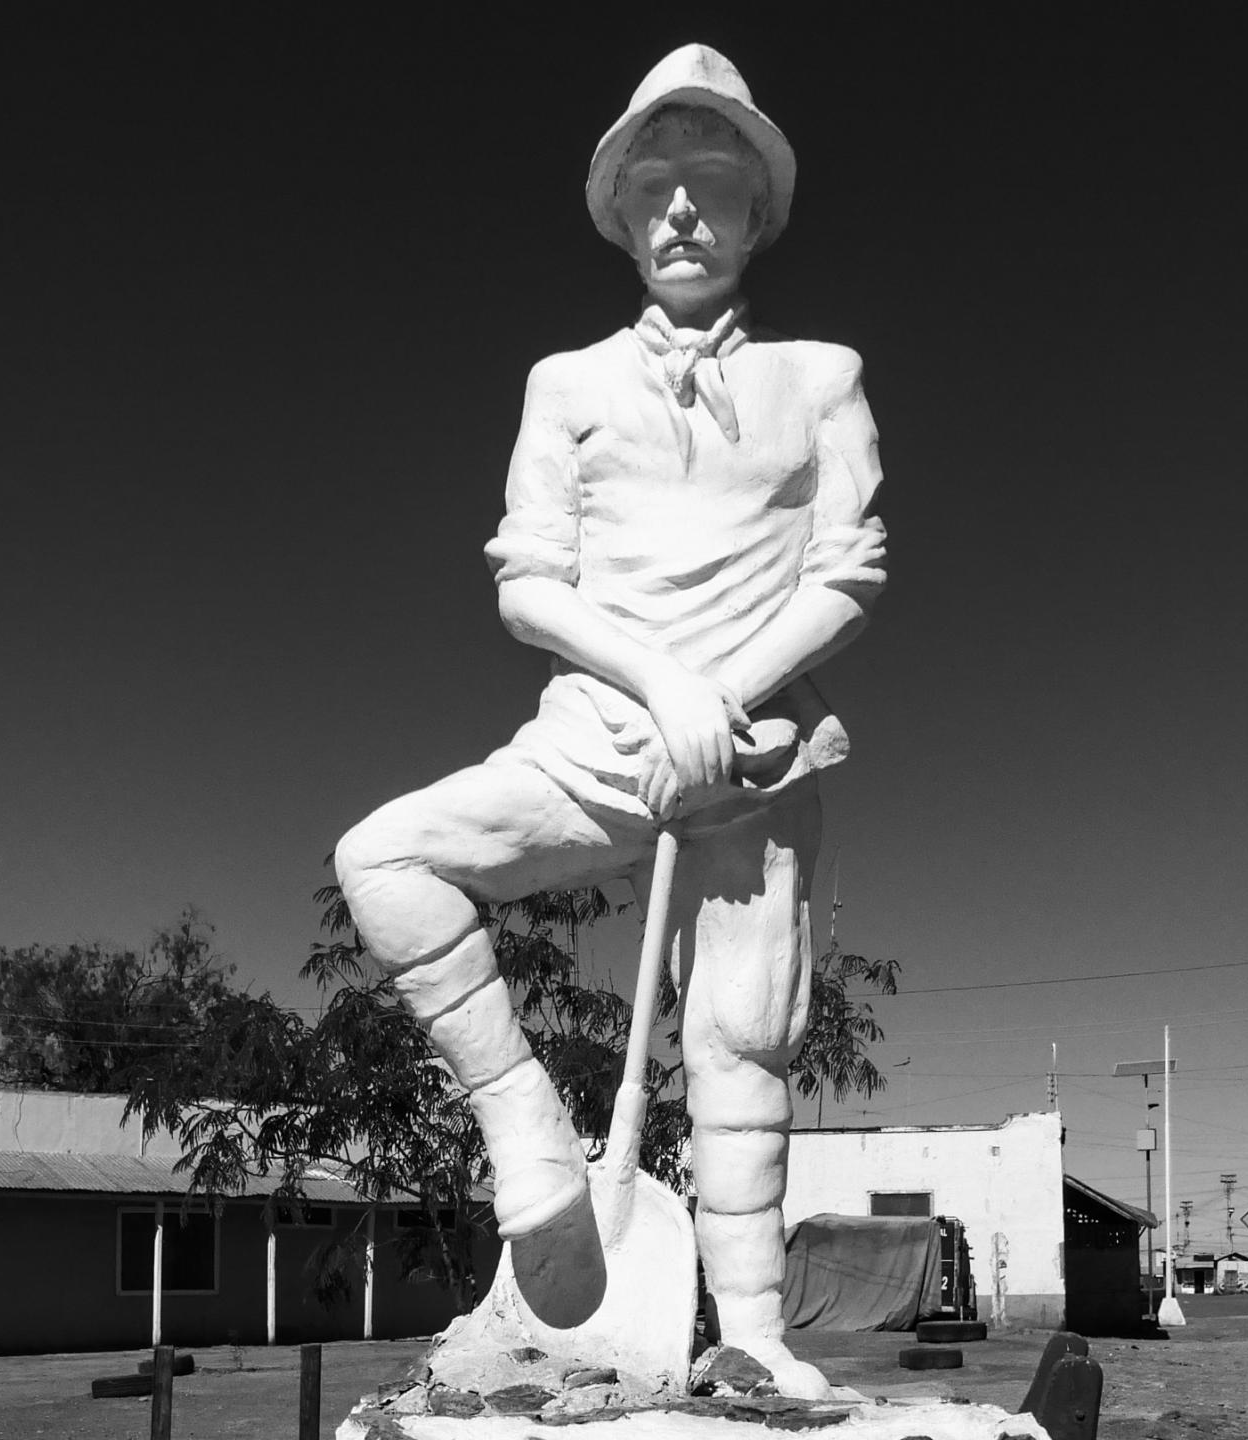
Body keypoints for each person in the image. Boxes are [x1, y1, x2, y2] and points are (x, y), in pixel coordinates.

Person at [335, 43, 887, 1397]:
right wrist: (664, 689)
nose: (687, 211)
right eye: (660, 189)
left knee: (742, 1039)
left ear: (760, 213)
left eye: (714, 184)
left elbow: (849, 574)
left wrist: (731, 700)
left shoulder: (822, 375)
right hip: (591, 743)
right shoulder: (564, 385)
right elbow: (528, 582)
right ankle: (527, 1129)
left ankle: (751, 1332)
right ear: (624, 216)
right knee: (384, 859)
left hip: (755, 767)